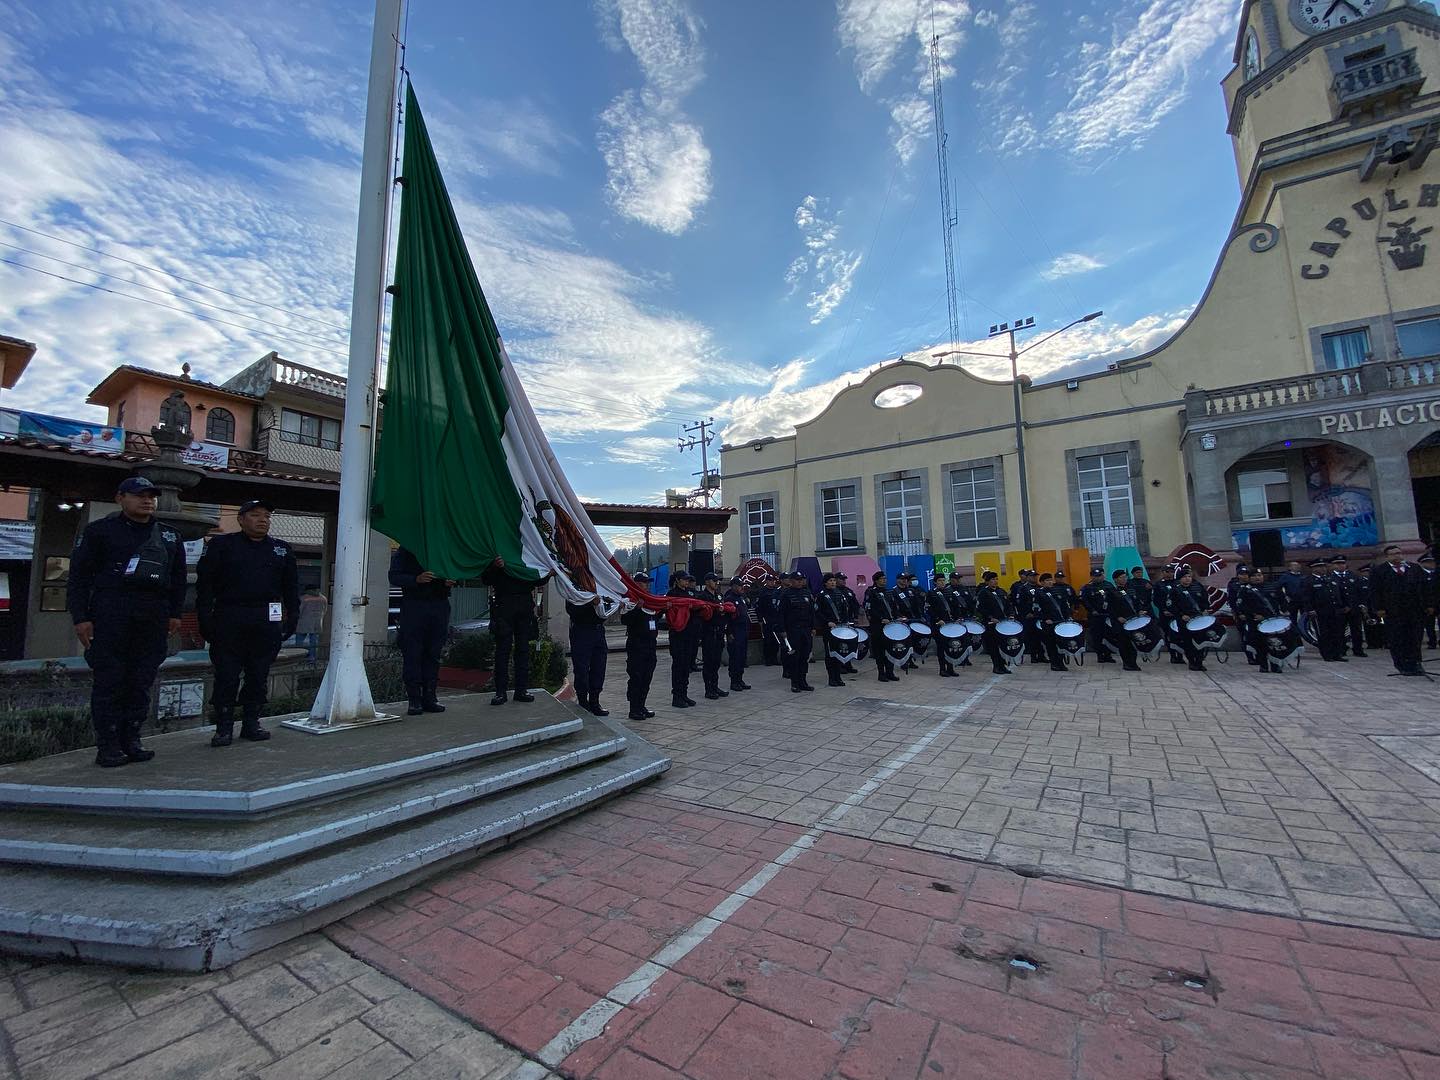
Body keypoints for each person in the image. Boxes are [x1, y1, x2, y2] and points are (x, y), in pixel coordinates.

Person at [68, 476, 186, 767]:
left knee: (141, 681)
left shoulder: (169, 535)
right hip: (111, 613)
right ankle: (108, 745)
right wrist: (81, 617)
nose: (147, 500)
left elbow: (179, 579)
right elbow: (79, 578)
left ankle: (132, 739)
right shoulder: (99, 532)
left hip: (153, 616)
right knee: (110, 681)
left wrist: (174, 613)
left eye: (151, 496)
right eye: (139, 495)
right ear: (120, 498)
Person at [196, 498, 299, 746]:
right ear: (241, 519)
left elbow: (290, 587)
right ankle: (223, 727)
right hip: (230, 616)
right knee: (227, 675)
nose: (262, 520)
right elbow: (205, 586)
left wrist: (293, 616)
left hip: (266, 618)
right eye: (255, 515)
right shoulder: (222, 545)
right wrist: (205, 619)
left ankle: (252, 722)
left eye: (266, 515)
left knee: (258, 675)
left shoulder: (281, 549)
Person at [391, 546, 456, 715]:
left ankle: (430, 697)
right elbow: (394, 576)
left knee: (433, 654)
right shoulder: (407, 548)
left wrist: (450, 580)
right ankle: (414, 700)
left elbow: (455, 570)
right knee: (412, 654)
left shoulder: (442, 548)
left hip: (439, 604)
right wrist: (416, 579)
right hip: (414, 605)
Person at [483, 556, 538, 706]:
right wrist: (495, 566)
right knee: (502, 650)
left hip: (525, 604)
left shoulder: (527, 552)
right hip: (504, 604)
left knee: (523, 650)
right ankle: (500, 692)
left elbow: (536, 579)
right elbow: (486, 579)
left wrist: (548, 573)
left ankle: (521, 690)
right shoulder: (498, 552)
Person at [1372, 546, 1433, 676]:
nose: (1397, 556)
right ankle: (1402, 664)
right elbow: (1375, 591)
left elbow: (1425, 588)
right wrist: (1379, 608)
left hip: (1414, 609)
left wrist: (1429, 605)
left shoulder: (1414, 568)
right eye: (1393, 554)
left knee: (1415, 637)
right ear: (1387, 556)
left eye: (1399, 553)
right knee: (1398, 638)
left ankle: (1416, 663)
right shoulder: (1379, 571)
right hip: (1393, 611)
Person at [621, 573, 659, 720]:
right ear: (636, 584)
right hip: (637, 646)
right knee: (636, 677)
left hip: (650, 646)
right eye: (644, 583)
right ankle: (634, 708)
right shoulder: (631, 601)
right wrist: (637, 608)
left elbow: (654, 617)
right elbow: (625, 620)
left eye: (647, 582)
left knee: (647, 677)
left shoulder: (650, 600)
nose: (647, 585)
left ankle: (642, 705)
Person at [566, 595, 610, 716]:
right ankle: (583, 702)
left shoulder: (600, 587)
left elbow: (607, 609)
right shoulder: (575, 590)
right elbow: (572, 611)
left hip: (598, 631)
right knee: (582, 669)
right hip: (582, 631)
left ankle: (595, 702)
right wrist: (590, 603)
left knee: (599, 668)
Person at [666, 569, 701, 707]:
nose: (687, 582)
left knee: (686, 666)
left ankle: (684, 694)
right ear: (677, 580)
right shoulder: (672, 594)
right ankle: (677, 696)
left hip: (690, 634)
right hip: (678, 635)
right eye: (684, 579)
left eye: (688, 580)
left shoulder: (689, 593)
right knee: (679, 665)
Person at [1302, 557, 1347, 662]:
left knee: (1337, 633)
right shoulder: (1309, 581)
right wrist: (1310, 609)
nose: (1323, 569)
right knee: (1324, 634)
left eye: (1324, 566)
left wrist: (1343, 605)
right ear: (1313, 569)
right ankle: (1327, 654)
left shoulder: (1331, 579)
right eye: (1319, 567)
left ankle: (1337, 654)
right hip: (1320, 612)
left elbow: (1339, 593)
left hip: (1335, 610)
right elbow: (1306, 597)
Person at [778, 571, 817, 692]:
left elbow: (812, 612)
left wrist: (813, 627)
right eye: (797, 580)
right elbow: (781, 614)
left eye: (801, 580)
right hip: (793, 630)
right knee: (794, 656)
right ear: (791, 581)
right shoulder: (786, 594)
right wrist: (782, 630)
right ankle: (794, 683)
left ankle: (803, 681)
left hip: (806, 629)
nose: (800, 582)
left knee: (805, 656)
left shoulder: (807, 593)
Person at [1234, 565, 1275, 673]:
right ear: (1250, 578)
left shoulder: (1270, 587)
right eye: (1254, 576)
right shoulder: (1245, 590)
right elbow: (1241, 606)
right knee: (1260, 644)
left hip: (1272, 620)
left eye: (1259, 575)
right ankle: (1263, 665)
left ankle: (1276, 664)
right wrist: (1253, 614)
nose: (1257, 578)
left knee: (1274, 643)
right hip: (1256, 621)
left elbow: (1280, 601)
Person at [1170, 566, 1210, 671]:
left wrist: (1205, 609)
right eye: (1185, 577)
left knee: (1200, 640)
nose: (1187, 578)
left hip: (1198, 619)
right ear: (1180, 578)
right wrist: (1181, 615)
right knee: (1188, 642)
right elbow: (1171, 605)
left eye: (1189, 576)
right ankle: (1192, 662)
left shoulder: (1197, 587)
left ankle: (1199, 661)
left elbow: (1205, 601)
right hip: (1184, 620)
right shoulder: (1175, 590)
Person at [699, 573, 730, 700]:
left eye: (717, 581)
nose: (716, 583)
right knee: (709, 662)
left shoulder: (719, 596)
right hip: (709, 632)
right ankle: (709, 689)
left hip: (719, 632)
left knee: (716, 662)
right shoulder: (703, 596)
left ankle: (715, 686)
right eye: (714, 580)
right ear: (707, 582)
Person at [1329, 555, 1367, 658]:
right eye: (1338, 564)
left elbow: (1359, 592)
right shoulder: (1330, 578)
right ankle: (1342, 649)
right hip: (1339, 609)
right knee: (1340, 630)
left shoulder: (1352, 576)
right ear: (1333, 566)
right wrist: (1341, 607)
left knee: (1357, 630)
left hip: (1354, 608)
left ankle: (1358, 649)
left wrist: (1359, 604)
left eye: (1342, 563)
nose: (1341, 566)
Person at [865, 570, 899, 682]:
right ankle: (881, 673)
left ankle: (890, 672)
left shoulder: (889, 591)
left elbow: (894, 606)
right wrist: (880, 619)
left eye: (885, 579)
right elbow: (869, 609)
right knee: (879, 651)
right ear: (876, 580)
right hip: (878, 625)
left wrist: (896, 617)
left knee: (890, 649)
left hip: (890, 625)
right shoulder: (871, 592)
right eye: (882, 579)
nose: (884, 580)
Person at [977, 570, 1013, 675]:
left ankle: (1003, 665)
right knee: (993, 646)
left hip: (1003, 622)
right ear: (987, 581)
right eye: (993, 579)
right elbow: (980, 608)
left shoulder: (1001, 591)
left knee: (1003, 645)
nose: (995, 581)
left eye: (996, 579)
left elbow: (1008, 605)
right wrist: (990, 618)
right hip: (991, 623)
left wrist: (1011, 614)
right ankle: (996, 666)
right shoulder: (983, 592)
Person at [818, 572, 850, 686]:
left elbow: (845, 609)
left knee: (839, 651)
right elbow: (818, 612)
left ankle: (838, 676)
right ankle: (832, 677)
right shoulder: (821, 595)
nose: (833, 583)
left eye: (834, 581)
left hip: (840, 627)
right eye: (830, 581)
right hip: (829, 628)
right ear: (825, 583)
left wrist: (846, 621)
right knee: (830, 653)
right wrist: (827, 622)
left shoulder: (839, 594)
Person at [1034, 572, 1069, 672]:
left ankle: (1061, 662)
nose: (1050, 582)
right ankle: (1054, 663)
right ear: (1041, 582)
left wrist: (1068, 616)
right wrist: (1045, 618)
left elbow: (1064, 605)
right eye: (1047, 581)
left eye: (1050, 580)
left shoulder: (1057, 591)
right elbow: (1036, 608)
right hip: (1048, 623)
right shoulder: (1039, 593)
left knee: (1061, 643)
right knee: (1051, 644)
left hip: (1060, 621)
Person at [722, 577, 753, 691]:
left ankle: (740, 679)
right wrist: (729, 633)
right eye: (740, 586)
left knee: (742, 657)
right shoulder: (729, 599)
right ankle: (734, 681)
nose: (742, 588)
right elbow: (727, 619)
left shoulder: (741, 598)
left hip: (743, 631)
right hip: (735, 632)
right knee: (735, 657)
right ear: (734, 586)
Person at [927, 574, 960, 677]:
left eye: (943, 580)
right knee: (941, 647)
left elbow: (955, 606)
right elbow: (929, 609)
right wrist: (938, 619)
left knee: (950, 645)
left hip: (950, 623)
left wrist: (957, 617)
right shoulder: (931, 593)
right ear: (935, 582)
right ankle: (942, 669)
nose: (942, 582)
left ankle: (950, 668)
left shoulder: (950, 592)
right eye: (939, 580)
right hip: (939, 624)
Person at [1152, 564, 1185, 664]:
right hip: (1165, 614)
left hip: (1178, 613)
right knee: (1168, 635)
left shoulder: (1178, 583)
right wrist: (1163, 610)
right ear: (1163, 572)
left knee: (1179, 634)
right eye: (1167, 571)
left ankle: (1180, 655)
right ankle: (1172, 655)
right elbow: (1156, 600)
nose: (1169, 573)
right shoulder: (1158, 584)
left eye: (1171, 571)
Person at [835, 572, 861, 673]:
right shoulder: (834, 592)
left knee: (850, 643)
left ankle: (848, 664)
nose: (843, 581)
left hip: (849, 621)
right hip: (839, 623)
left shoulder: (848, 591)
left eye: (844, 579)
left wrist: (856, 616)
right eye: (841, 579)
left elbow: (855, 604)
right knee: (840, 644)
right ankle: (840, 665)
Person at [295, 585, 327, 664]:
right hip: (317, 622)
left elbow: (299, 610)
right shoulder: (323, 598)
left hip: (304, 621)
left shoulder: (304, 598)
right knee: (314, 641)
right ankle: (312, 658)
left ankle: (299, 657)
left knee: (299, 640)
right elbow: (325, 610)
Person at [757, 575, 784, 666]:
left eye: (773, 581)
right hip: (766, 619)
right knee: (767, 640)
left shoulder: (776, 591)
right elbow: (759, 607)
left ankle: (774, 658)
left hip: (775, 618)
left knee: (776, 640)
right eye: (770, 580)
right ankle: (768, 659)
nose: (772, 582)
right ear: (766, 581)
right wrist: (760, 619)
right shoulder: (763, 592)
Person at [1357, 564, 1385, 651]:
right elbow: (1359, 595)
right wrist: (1362, 605)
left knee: (1381, 624)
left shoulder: (1377, 581)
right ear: (1362, 573)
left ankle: (1382, 642)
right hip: (1367, 607)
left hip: (1377, 606)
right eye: (1367, 572)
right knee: (1369, 626)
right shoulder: (1360, 582)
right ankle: (1371, 643)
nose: (1369, 573)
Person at [1419, 553, 1439, 650]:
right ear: (1423, 563)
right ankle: (1432, 642)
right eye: (1429, 562)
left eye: (1432, 562)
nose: (1432, 564)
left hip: (1438, 603)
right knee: (1429, 625)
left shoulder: (1436, 573)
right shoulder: (1419, 575)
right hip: (1427, 604)